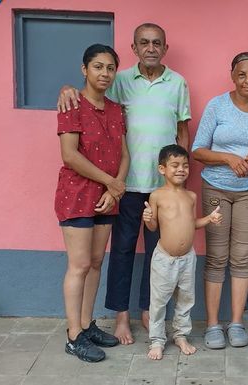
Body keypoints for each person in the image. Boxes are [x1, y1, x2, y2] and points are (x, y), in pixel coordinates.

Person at [58, 23, 192, 345]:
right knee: (121, 252)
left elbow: (182, 132)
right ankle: (120, 317)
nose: (150, 48)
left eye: (157, 43)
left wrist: (179, 180)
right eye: (144, 42)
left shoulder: (178, 83)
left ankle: (148, 311)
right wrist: (67, 88)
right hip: (124, 187)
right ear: (134, 48)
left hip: (162, 189)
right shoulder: (118, 80)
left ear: (165, 48)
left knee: (158, 255)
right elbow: (95, 100)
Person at [191, 52, 248, 349]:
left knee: (242, 257)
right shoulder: (217, 106)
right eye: (241, 74)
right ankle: (213, 324)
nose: (247, 80)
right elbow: (198, 150)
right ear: (232, 76)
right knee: (216, 257)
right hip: (216, 188)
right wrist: (228, 158)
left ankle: (237, 322)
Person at [55, 44, 128, 362]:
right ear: (84, 69)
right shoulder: (71, 104)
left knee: (97, 261)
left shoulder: (116, 110)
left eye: (110, 68)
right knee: (80, 264)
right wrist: (110, 182)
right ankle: (73, 336)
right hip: (77, 194)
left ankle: (86, 324)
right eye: (98, 66)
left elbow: (124, 154)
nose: (105, 73)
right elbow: (70, 155)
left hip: (107, 197)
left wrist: (115, 189)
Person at [141, 144, 224, 360]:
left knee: (186, 299)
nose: (181, 169)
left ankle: (180, 335)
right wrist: (148, 219)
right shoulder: (157, 196)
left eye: (185, 166)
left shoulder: (191, 196)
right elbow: (153, 227)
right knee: (158, 301)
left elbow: (192, 223)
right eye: (175, 165)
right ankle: (157, 340)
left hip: (187, 258)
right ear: (162, 169)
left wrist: (209, 219)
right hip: (164, 259)